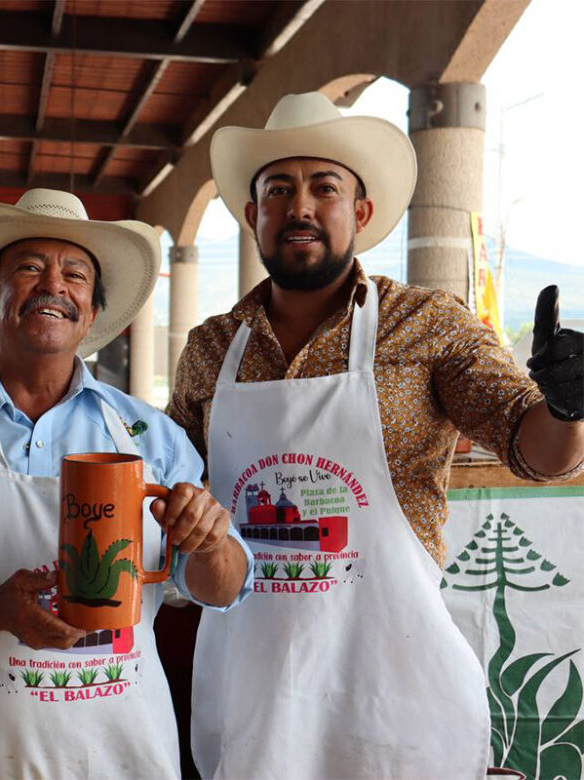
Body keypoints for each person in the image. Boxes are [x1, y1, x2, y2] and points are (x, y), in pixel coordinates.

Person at [168, 92, 584, 778]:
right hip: (250, 695)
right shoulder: (211, 348)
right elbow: (173, 507)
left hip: (398, 697)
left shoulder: (427, 323)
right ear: (254, 216)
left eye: (323, 187)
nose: (300, 206)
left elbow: (533, 450)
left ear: (359, 212)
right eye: (279, 190)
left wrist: (568, 409)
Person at [0, 188, 254, 778]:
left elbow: (220, 590)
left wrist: (211, 538)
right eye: (30, 267)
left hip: (122, 747)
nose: (54, 285)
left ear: (91, 314)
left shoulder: (150, 435)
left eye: (75, 275)